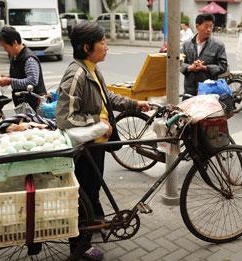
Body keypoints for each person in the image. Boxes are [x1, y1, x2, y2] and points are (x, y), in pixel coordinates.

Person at [55, 21, 150, 260]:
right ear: (87, 47)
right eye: (103, 42)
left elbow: (106, 97)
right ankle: (80, 248)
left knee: (92, 191)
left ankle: (94, 223)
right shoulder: (76, 74)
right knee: (83, 196)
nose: (107, 46)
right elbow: (65, 118)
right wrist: (97, 122)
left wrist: (134, 103)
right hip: (84, 148)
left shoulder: (92, 69)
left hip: (97, 145)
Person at [0, 26, 46, 111]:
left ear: (15, 43)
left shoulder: (29, 59)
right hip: (23, 102)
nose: (5, 50)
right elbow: (21, 75)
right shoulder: (15, 56)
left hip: (34, 104)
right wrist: (8, 78)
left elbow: (32, 81)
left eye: (5, 47)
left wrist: (9, 81)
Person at [180, 13, 227, 97]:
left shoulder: (218, 45)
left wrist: (205, 68)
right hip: (189, 90)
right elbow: (179, 63)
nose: (209, 29)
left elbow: (223, 66)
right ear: (197, 26)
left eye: (211, 26)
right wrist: (190, 67)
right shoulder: (186, 45)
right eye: (206, 26)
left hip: (209, 91)